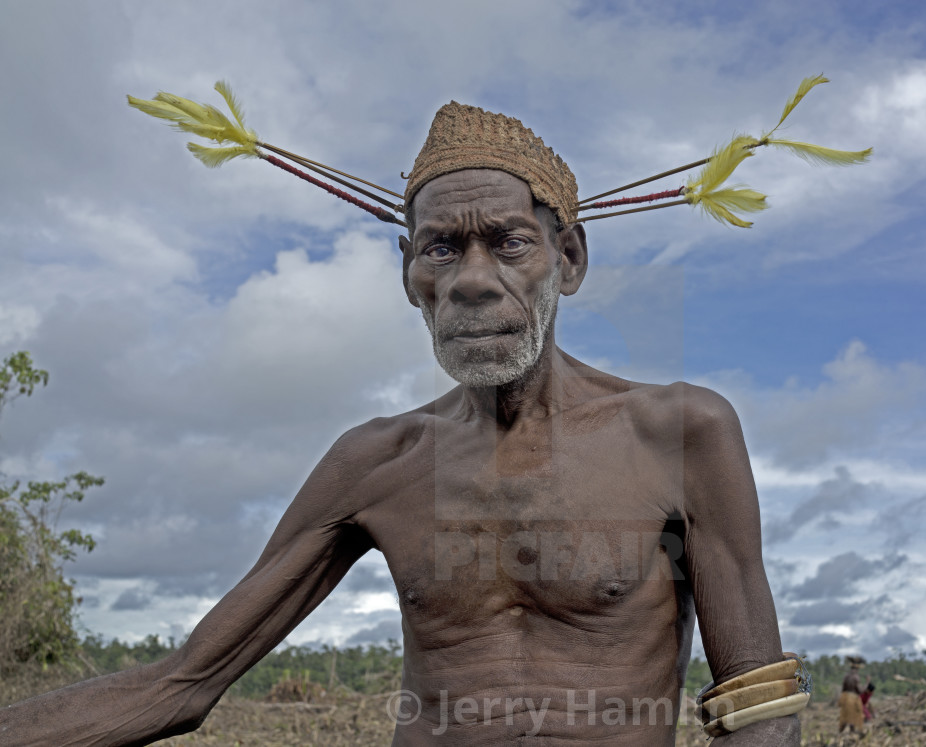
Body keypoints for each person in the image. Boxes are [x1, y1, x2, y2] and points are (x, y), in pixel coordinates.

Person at [0, 102, 799, 745]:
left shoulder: (681, 432)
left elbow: (759, 706)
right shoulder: (375, 462)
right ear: (408, 273)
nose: (473, 281)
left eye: (510, 242)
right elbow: (181, 684)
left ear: (570, 259)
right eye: (441, 250)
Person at [838, 656, 866, 734]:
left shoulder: (846, 676)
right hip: (853, 699)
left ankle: (843, 733)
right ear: (857, 669)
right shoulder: (856, 677)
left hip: (845, 698)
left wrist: (842, 700)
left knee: (845, 717)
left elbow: (843, 689)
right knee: (853, 717)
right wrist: (867, 684)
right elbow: (860, 691)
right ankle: (851, 733)